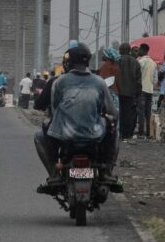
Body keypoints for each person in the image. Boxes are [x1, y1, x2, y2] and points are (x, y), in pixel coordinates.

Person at [34, 43, 120, 192]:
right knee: (114, 130)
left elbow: (54, 110)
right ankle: (107, 171)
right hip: (95, 133)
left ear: (69, 63)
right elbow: (113, 111)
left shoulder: (59, 82)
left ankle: (54, 173)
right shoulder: (99, 82)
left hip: (65, 134)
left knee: (40, 135)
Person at [117, 42, 141, 140]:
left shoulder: (117, 61)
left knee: (121, 113)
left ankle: (121, 133)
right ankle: (129, 133)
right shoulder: (135, 62)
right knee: (130, 113)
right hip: (132, 92)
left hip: (119, 92)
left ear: (120, 50)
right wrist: (138, 93)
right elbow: (139, 80)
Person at [137, 43, 157, 138]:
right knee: (148, 112)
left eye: (139, 50)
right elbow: (155, 79)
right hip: (150, 90)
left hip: (141, 90)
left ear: (143, 50)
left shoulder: (141, 62)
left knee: (141, 112)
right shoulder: (154, 63)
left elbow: (136, 76)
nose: (138, 51)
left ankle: (141, 132)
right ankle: (149, 132)